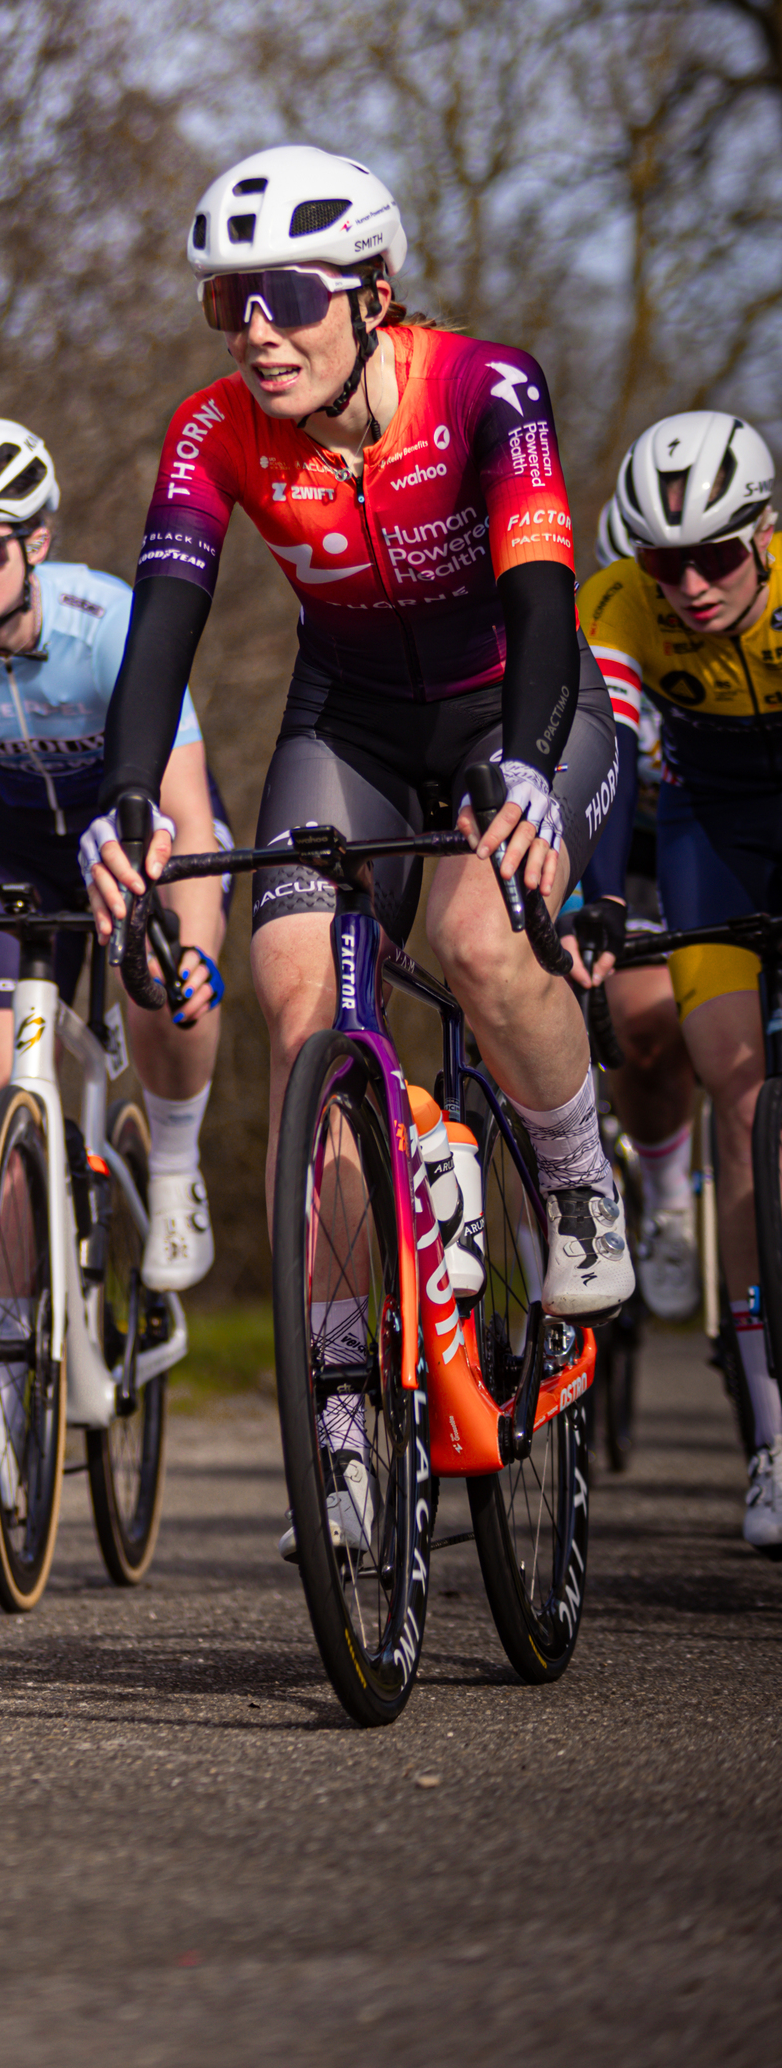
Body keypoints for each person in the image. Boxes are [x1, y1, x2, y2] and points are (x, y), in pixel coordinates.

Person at [77, 143, 631, 1562]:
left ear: (375, 295)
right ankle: (338, 1425)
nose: (256, 329)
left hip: (520, 700)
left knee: (472, 937)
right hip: (354, 723)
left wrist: (523, 762)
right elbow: (162, 626)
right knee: (288, 981)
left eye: (289, 298)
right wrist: (128, 793)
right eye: (230, 305)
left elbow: (545, 600)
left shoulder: (483, 389)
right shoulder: (214, 434)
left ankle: (573, 1179)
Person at [0, 417, 228, 1289]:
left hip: (130, 825)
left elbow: (187, 814)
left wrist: (192, 949)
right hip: (10, 848)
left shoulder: (108, 617)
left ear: (36, 540)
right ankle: (7, 1353)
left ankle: (176, 1164)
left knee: (164, 985)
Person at [573, 412, 782, 1554]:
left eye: (715, 557)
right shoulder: (609, 604)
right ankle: (768, 1440)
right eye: (664, 561)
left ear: (761, 533)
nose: (689, 585)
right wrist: (599, 899)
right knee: (740, 1103)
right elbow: (600, 749)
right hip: (705, 832)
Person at [559, 496, 700, 1324]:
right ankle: (668, 1196)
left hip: (700, 833)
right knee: (639, 1017)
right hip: (617, 847)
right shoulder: (599, 640)